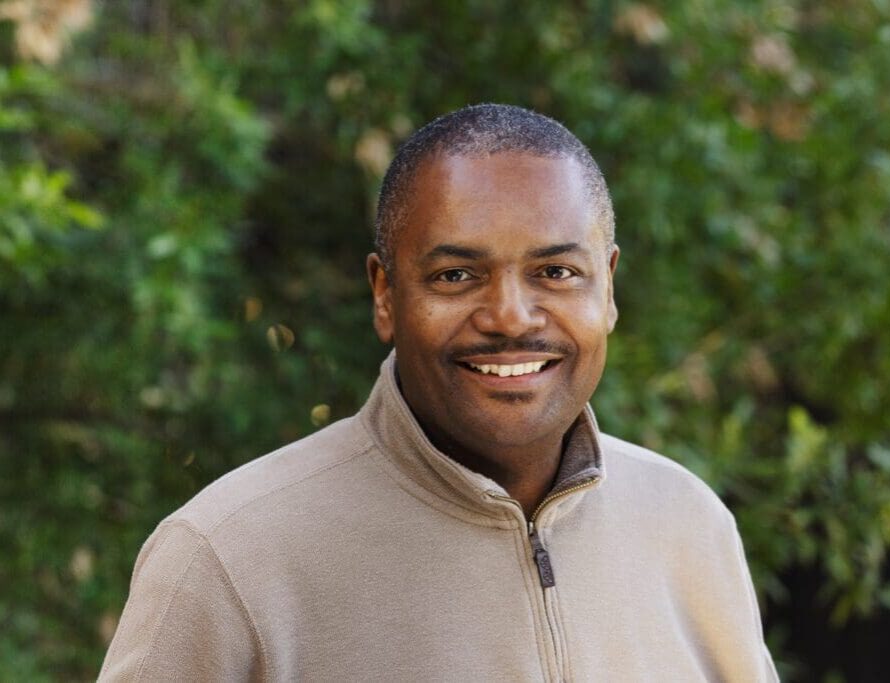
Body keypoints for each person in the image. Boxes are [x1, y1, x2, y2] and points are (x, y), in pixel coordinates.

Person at [100, 103, 779, 681]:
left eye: (555, 270)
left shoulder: (686, 523)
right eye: (457, 275)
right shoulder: (230, 556)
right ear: (385, 294)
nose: (511, 315)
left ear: (608, 287)